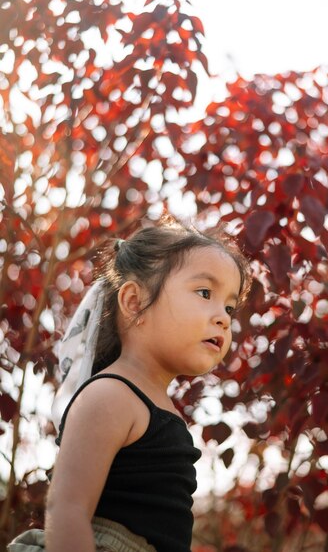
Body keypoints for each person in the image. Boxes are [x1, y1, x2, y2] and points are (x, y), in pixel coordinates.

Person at [9, 215, 251, 552]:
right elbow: (68, 510)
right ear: (134, 302)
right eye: (204, 292)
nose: (223, 317)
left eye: (229, 306)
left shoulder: (155, 406)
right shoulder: (110, 395)